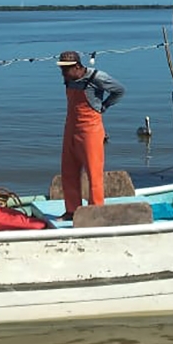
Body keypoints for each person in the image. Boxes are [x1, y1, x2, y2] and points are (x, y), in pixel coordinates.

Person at [56, 51, 125, 219]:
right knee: (68, 171)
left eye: (66, 69)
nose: (63, 73)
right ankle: (72, 210)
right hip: (70, 127)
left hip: (90, 129)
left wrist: (104, 106)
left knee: (94, 173)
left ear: (78, 66)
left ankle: (96, 212)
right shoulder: (69, 79)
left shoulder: (96, 77)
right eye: (62, 69)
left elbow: (119, 90)